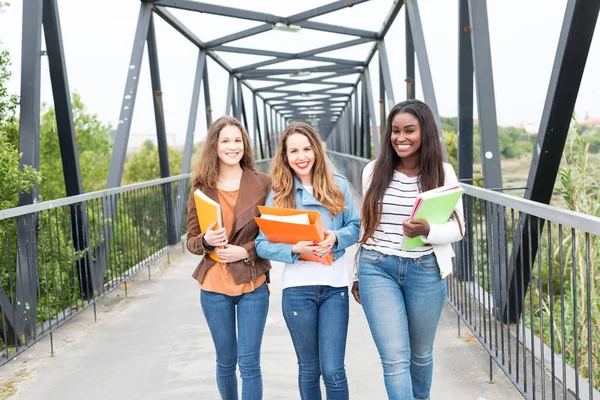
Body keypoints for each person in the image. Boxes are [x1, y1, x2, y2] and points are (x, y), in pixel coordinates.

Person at [352, 99, 464, 400]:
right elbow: (366, 227)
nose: (400, 138)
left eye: (409, 131)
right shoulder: (373, 171)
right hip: (377, 268)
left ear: (424, 132)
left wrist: (428, 230)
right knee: (394, 359)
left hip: (424, 271)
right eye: (395, 131)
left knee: (420, 356)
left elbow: (459, 228)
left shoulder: (443, 173)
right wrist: (356, 274)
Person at [255, 122, 360, 400]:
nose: (301, 157)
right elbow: (261, 244)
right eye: (293, 151)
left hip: (334, 288)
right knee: (309, 369)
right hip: (297, 289)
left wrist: (335, 238)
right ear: (285, 156)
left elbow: (356, 226)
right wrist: (293, 248)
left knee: (334, 370)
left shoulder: (339, 185)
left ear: (316, 150)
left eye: (306, 148)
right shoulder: (279, 195)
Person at [187, 116, 272, 400]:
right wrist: (206, 241)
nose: (232, 146)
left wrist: (246, 251)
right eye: (225, 141)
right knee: (225, 362)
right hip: (213, 285)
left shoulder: (263, 184)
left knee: (249, 363)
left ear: (245, 145)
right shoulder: (200, 187)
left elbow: (274, 235)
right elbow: (191, 241)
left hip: (252, 282)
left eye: (237, 140)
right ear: (215, 145)